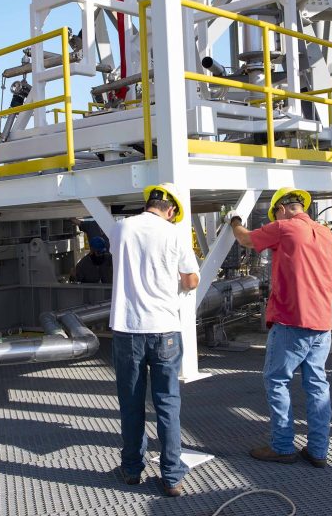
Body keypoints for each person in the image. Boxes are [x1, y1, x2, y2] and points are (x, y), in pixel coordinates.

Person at [230, 187, 332, 469]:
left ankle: (282, 446)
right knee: (317, 385)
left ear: (280, 209)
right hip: (322, 324)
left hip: (292, 321)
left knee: (277, 380)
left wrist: (234, 221)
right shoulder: (327, 234)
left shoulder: (283, 228)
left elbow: (245, 240)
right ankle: (318, 450)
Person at [108, 183, 200, 497]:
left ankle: (132, 469)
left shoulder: (121, 229)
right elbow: (190, 280)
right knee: (167, 405)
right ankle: (172, 478)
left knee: (131, 405)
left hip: (128, 329)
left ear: (149, 202)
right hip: (165, 331)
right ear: (171, 209)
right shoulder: (175, 233)